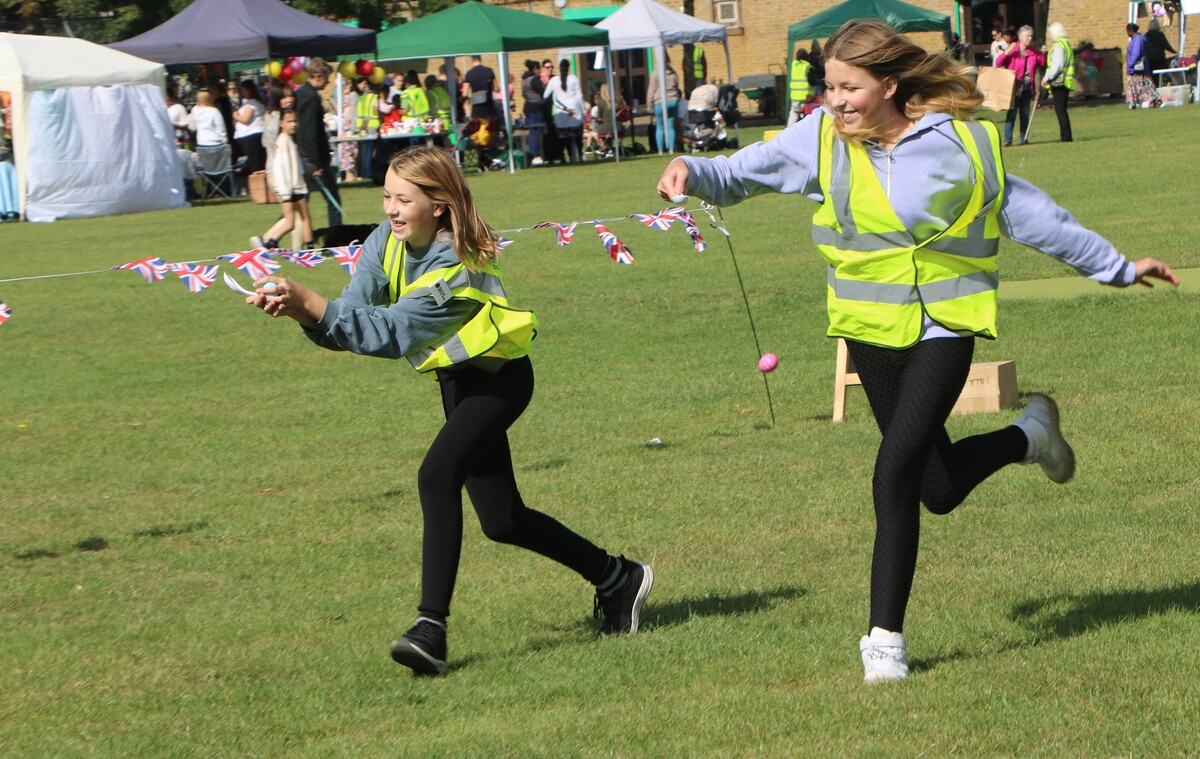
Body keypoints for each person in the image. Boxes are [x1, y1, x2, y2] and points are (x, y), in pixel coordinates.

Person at [655, 18, 1180, 685]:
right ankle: (1031, 435)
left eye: (849, 86)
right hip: (869, 332)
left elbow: (1032, 214)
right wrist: (688, 172)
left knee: (892, 472)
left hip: (944, 326)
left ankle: (884, 641)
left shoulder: (961, 144)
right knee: (936, 486)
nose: (835, 98)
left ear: (890, 83)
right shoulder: (820, 137)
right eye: (829, 86)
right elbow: (738, 174)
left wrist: (1116, 266)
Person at [242, 145, 654, 675]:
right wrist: (301, 310)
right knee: (503, 521)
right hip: (458, 384)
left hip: (499, 381)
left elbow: (388, 333)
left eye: (403, 199)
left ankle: (430, 628)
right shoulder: (382, 242)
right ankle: (619, 577)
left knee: (437, 475)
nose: (390, 208)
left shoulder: (456, 265)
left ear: (438, 205)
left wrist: (309, 303)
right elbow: (352, 319)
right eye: (387, 195)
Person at [250, 107, 313, 252]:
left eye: (295, 121)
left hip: (293, 187)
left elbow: (295, 165)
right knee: (304, 219)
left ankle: (268, 243)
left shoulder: (288, 140)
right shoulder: (283, 141)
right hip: (292, 188)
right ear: (281, 123)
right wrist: (286, 191)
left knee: (291, 222)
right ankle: (310, 250)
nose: (293, 124)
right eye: (289, 121)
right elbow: (282, 168)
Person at [294, 57, 342, 227]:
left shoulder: (299, 94)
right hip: (314, 159)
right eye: (326, 77)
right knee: (333, 201)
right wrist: (316, 163)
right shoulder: (312, 98)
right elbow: (310, 132)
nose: (327, 82)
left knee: (299, 202)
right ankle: (338, 238)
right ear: (317, 76)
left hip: (302, 155)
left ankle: (272, 238)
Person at [995, 26, 1045, 146]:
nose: (1030, 38)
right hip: (1014, 88)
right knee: (1011, 114)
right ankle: (1008, 139)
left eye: (1031, 36)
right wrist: (1007, 52)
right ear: (1020, 37)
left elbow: (1042, 62)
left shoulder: (1032, 51)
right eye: (1028, 36)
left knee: (1024, 114)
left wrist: (1044, 52)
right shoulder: (1013, 49)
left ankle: (1024, 138)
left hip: (1027, 88)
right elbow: (998, 63)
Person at [188, 90, 231, 197]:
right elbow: (221, 128)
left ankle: (210, 190)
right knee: (221, 168)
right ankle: (223, 190)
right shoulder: (214, 111)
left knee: (207, 169)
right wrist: (225, 141)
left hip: (202, 144)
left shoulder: (195, 110)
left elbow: (192, 126)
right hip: (217, 143)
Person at [543, 59, 585, 164]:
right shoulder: (574, 79)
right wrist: (583, 111)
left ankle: (564, 157)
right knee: (577, 137)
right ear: (569, 67)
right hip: (575, 112)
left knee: (562, 138)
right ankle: (580, 155)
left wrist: (555, 95)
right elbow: (579, 96)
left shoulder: (553, 81)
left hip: (561, 113)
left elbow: (545, 95)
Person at [1042, 22, 1075, 143]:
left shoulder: (1058, 45)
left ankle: (1065, 136)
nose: (1049, 37)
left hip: (1059, 81)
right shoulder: (1066, 43)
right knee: (1062, 109)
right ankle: (1066, 135)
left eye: (1050, 34)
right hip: (1066, 80)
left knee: (1060, 110)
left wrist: (1047, 77)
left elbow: (1056, 65)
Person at [646, 54, 682, 154]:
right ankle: (671, 149)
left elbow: (651, 90)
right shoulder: (672, 72)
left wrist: (649, 105)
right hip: (673, 100)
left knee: (660, 126)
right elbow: (677, 85)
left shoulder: (656, 73)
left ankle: (661, 150)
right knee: (671, 125)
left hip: (660, 101)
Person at [232, 79, 266, 175]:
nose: (242, 93)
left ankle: (258, 183)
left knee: (254, 163)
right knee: (256, 161)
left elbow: (246, 119)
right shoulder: (254, 102)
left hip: (251, 135)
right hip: (251, 135)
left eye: (243, 90)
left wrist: (235, 115)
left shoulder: (251, 104)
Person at [1126, 23, 1162, 109]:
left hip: (1137, 68)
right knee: (1136, 86)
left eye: (1127, 31)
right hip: (1136, 69)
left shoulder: (1138, 39)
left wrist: (1130, 64)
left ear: (1131, 31)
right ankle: (1133, 102)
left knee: (1144, 86)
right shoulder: (1136, 39)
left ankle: (1151, 101)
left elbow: (1136, 53)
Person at [520, 59, 547, 165]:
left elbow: (523, 94)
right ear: (535, 68)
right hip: (536, 108)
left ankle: (533, 154)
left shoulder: (525, 80)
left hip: (528, 107)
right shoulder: (534, 80)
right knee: (535, 132)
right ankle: (535, 155)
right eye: (539, 68)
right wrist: (545, 85)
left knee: (532, 132)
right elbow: (543, 91)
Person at [788, 49, 819, 126]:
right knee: (804, 113)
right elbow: (812, 82)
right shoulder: (808, 66)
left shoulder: (793, 65)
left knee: (793, 113)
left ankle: (789, 129)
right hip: (805, 95)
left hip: (794, 95)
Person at [462, 55, 496, 119]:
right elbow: (496, 88)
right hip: (488, 104)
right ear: (480, 59)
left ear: (472, 60)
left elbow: (464, 93)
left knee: (477, 125)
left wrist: (467, 99)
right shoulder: (489, 70)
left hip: (476, 105)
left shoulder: (469, 73)